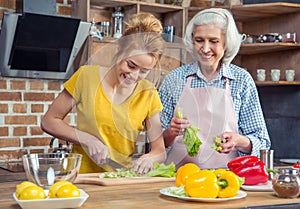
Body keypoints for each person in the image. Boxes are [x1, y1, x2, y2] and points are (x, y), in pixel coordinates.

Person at [41, 13, 167, 174]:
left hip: (119, 180)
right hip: (80, 177)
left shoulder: (148, 93)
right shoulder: (86, 76)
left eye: (144, 71)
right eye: (131, 65)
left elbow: (160, 151)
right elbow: (49, 121)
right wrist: (87, 139)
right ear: (119, 49)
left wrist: (150, 157)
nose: (134, 76)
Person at [158, 8, 271, 169]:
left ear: (226, 43)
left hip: (227, 177)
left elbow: (262, 142)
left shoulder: (241, 80)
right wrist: (171, 132)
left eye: (213, 41)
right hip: (178, 177)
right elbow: (155, 142)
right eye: (199, 40)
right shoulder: (173, 80)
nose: (205, 48)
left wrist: (238, 141)